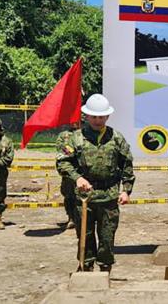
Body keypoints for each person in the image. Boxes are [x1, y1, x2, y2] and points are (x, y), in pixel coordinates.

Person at [56, 94, 135, 272]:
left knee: (107, 237)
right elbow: (62, 162)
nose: (97, 120)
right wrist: (78, 178)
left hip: (109, 196)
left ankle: (105, 269)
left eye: (101, 117)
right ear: (87, 116)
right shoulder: (75, 138)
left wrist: (126, 190)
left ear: (107, 116)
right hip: (85, 197)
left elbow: (127, 164)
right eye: (94, 117)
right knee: (85, 235)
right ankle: (86, 266)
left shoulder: (116, 138)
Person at [55, 120, 81, 229]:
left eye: (77, 121)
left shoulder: (86, 133)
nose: (74, 123)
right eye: (72, 121)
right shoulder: (63, 135)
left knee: (82, 196)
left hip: (82, 171)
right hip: (69, 172)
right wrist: (74, 149)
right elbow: (61, 150)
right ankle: (71, 218)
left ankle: (81, 219)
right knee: (69, 196)